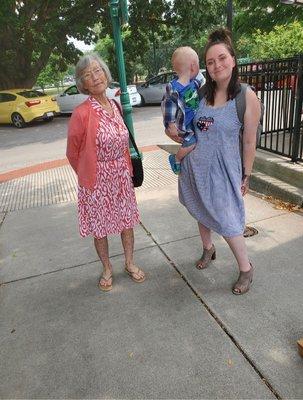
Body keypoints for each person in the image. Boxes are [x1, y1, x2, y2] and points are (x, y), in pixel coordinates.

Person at [166, 29, 260, 295]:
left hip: (224, 172)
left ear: (232, 59)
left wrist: (247, 175)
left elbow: (249, 141)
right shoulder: (200, 93)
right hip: (195, 169)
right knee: (200, 210)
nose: (217, 65)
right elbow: (183, 123)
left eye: (222, 58)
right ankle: (208, 248)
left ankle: (245, 267)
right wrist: (172, 130)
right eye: (210, 61)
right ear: (204, 67)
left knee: (229, 222)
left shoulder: (245, 96)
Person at [66, 54, 145, 292]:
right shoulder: (81, 113)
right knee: (100, 227)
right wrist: (88, 175)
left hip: (121, 175)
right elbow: (73, 152)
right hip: (96, 179)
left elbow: (123, 143)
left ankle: (129, 263)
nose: (95, 77)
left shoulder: (116, 104)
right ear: (83, 83)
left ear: (105, 74)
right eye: (88, 75)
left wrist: (125, 169)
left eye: (97, 70)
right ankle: (107, 268)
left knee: (126, 221)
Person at [161, 46, 202, 175]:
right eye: (198, 65)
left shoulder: (194, 83)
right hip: (182, 126)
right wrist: (171, 125)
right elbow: (168, 106)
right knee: (192, 143)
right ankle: (176, 158)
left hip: (191, 122)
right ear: (193, 66)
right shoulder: (174, 88)